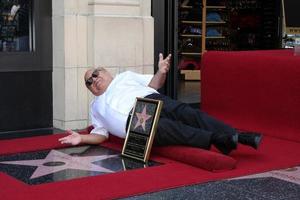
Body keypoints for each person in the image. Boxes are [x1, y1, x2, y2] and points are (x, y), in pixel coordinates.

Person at [59, 53, 262, 155]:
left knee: (188, 114)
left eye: (95, 74)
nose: (93, 79)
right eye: (89, 82)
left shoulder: (125, 77)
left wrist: (161, 71)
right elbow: (101, 134)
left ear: (106, 72)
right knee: (171, 129)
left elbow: (154, 84)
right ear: (90, 89)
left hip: (152, 100)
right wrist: (82, 138)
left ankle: (238, 135)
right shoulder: (95, 107)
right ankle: (220, 139)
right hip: (134, 123)